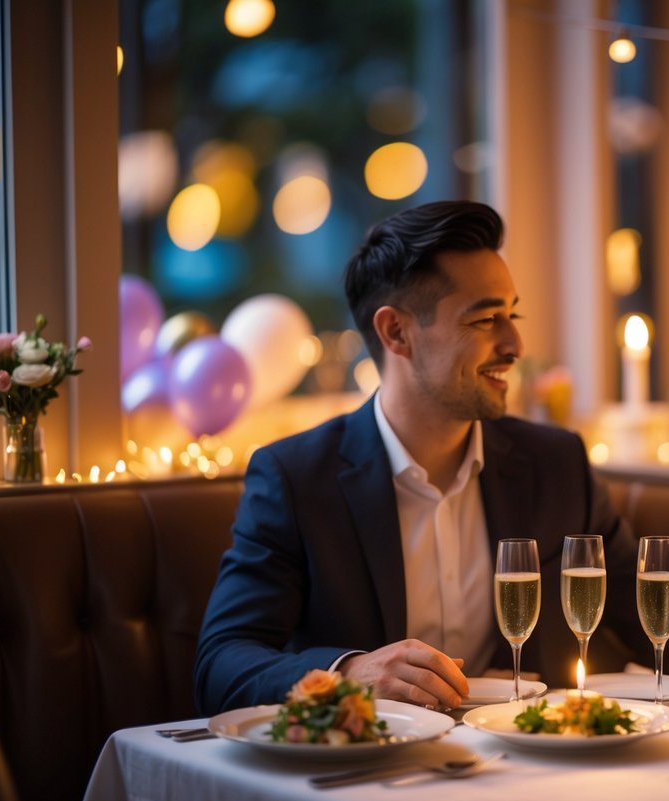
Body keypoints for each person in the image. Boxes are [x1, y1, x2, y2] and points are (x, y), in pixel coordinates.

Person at [195, 200, 645, 716]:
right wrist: (348, 673)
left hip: (531, 768)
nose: (515, 343)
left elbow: (660, 632)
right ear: (396, 333)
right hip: (369, 777)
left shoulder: (556, 464)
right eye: (485, 320)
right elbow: (221, 664)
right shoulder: (296, 479)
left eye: (512, 315)